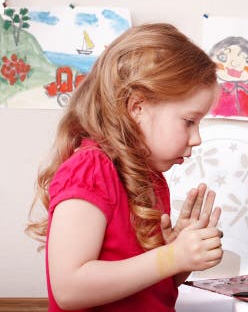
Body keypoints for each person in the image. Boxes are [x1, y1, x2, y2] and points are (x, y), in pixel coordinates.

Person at [26, 23, 224, 311]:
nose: (197, 138)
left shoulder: (150, 177)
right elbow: (69, 288)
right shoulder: (90, 170)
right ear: (137, 108)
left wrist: (179, 258)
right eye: (189, 121)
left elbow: (148, 289)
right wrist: (170, 257)